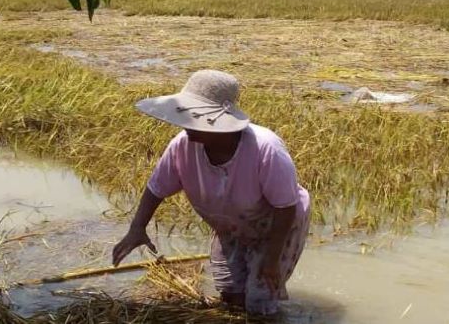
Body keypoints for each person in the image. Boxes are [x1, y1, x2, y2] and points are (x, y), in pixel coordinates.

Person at [112, 70, 311, 315]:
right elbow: (156, 188)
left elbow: (285, 207)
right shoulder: (182, 145)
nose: (185, 125)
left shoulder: (265, 149)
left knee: (259, 301)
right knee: (229, 292)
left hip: (275, 226)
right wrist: (137, 228)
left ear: (220, 123)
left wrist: (272, 258)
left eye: (194, 117)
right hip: (230, 224)